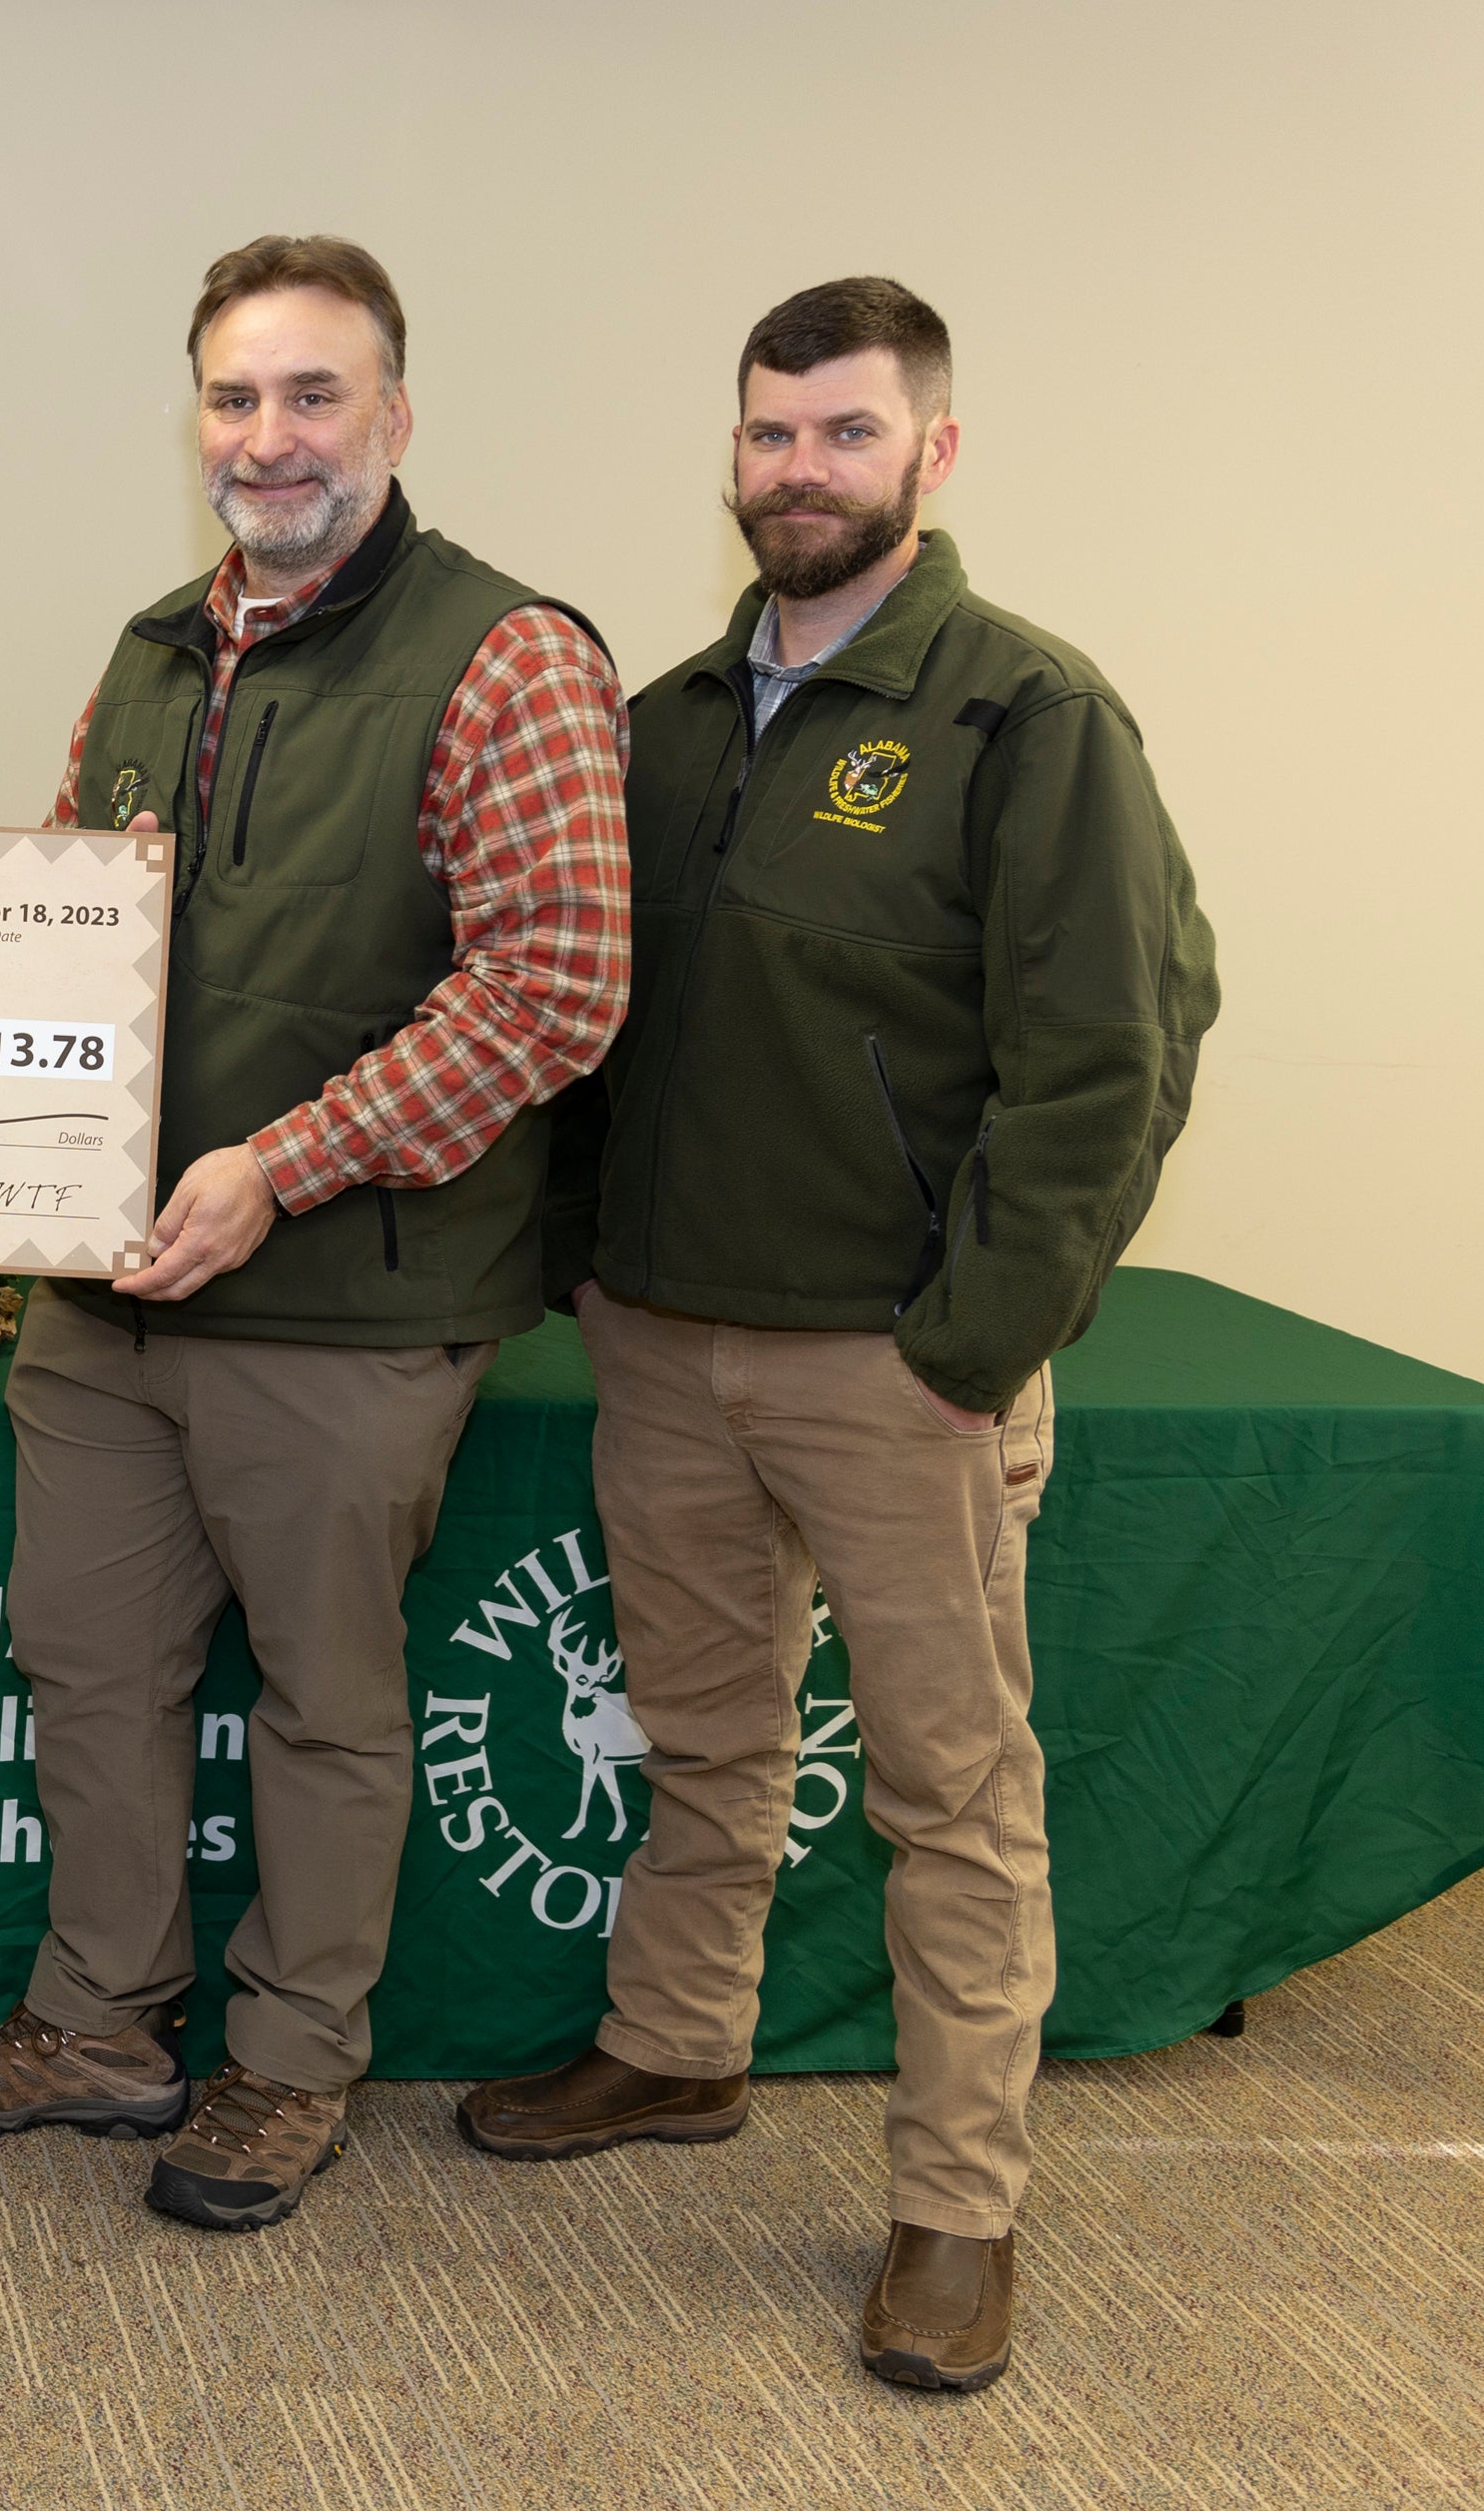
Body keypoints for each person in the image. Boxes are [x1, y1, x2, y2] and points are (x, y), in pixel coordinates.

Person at [455, 279, 1218, 2393]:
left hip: (895, 1368)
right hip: (669, 1344)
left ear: (931, 454)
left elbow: (1121, 1060)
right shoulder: (671, 718)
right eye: (771, 434)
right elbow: (597, 1024)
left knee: (948, 1792)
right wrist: (591, 1258)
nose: (801, 470)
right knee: (706, 1739)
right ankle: (676, 2045)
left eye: (846, 435)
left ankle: (959, 2207)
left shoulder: (1025, 715)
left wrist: (964, 1345)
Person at [0, 237, 632, 2230]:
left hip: (342, 1304)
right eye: (236, 397)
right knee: (92, 1669)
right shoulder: (148, 650)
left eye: (315, 395)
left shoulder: (507, 657)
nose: (271, 435)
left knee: (322, 1693)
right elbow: (65, 929)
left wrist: (278, 1164)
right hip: (107, 1288)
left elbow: (555, 984)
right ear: (193, 420)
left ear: (393, 415)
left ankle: (295, 2059)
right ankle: (103, 2020)